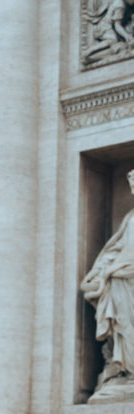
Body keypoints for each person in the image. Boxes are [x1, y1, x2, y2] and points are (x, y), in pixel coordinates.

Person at [81, 169, 134, 395]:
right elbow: (116, 249)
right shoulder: (131, 218)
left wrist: (114, 269)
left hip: (125, 274)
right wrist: (100, 272)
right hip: (120, 281)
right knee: (123, 325)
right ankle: (127, 371)